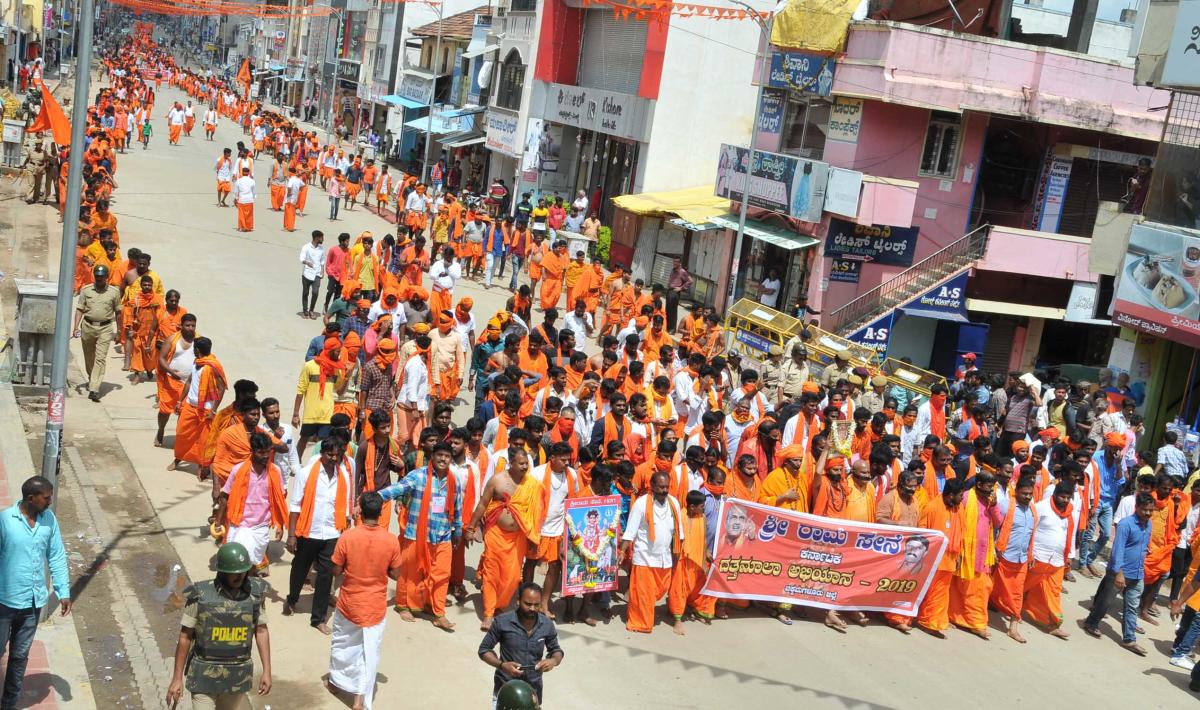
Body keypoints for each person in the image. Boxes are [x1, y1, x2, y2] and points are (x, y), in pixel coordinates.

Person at [166, 542, 271, 710]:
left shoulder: (255, 595)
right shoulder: (200, 595)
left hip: (237, 677)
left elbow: (261, 631)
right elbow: (185, 637)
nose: (240, 577)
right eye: (234, 573)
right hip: (204, 675)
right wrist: (177, 678)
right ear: (222, 571)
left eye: (243, 571)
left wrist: (267, 670)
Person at [0, 477, 72, 710]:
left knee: (20, 656)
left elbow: (56, 555)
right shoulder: (5, 521)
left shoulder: (49, 520)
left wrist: (63, 591)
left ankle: (9, 703)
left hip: (32, 602)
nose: (50, 501)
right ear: (31, 498)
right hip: (4, 601)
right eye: (46, 498)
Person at [326, 492, 402, 710]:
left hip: (349, 603)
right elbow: (395, 574)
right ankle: (358, 700)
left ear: (360, 512)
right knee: (367, 652)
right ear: (380, 514)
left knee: (342, 645)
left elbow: (336, 570)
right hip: (374, 607)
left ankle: (334, 683)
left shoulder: (347, 537)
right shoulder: (391, 540)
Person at [377, 442, 463, 631]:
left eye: (447, 456)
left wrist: (458, 529)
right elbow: (397, 489)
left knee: (442, 574)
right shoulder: (418, 476)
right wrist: (375, 497)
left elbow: (457, 507)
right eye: (440, 455)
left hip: (442, 536)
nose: (443, 459)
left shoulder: (454, 480)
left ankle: (438, 612)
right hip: (416, 534)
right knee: (409, 573)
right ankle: (403, 605)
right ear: (432, 456)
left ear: (451, 459)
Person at [466, 438, 546, 630]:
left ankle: (500, 605)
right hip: (496, 534)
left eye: (526, 463)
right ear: (511, 463)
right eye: (521, 463)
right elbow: (483, 504)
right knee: (492, 573)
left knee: (511, 577)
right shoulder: (498, 480)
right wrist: (471, 528)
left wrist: (534, 537)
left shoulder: (532, 485)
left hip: (518, 537)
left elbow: (537, 513)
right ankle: (488, 613)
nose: (525, 467)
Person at [285, 438, 353, 634]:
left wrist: (344, 533)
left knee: (325, 575)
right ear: (322, 453)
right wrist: (291, 536)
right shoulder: (306, 473)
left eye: (337, 455)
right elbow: (295, 505)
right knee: (299, 568)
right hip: (309, 531)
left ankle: (318, 618)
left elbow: (345, 508)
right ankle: (292, 599)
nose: (334, 458)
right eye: (330, 454)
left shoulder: (344, 476)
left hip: (332, 533)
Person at [1082, 492, 1155, 655]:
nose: (1148, 513)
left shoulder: (1149, 524)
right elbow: (1117, 550)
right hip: (1119, 572)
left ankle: (1129, 639)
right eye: (1145, 510)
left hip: (1137, 573)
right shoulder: (1125, 524)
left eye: (1151, 510)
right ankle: (1091, 622)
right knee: (1105, 601)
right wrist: (1119, 573)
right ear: (1137, 507)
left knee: (1132, 607)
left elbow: (1143, 545)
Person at [478, 583, 564, 707]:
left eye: (537, 604)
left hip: (533, 690)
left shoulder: (547, 624)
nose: (532, 608)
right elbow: (484, 650)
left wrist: (553, 661)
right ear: (518, 601)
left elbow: (556, 650)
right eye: (528, 604)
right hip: (506, 688)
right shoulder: (502, 622)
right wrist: (502, 665)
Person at [621, 471, 684, 633]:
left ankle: (644, 614)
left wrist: (677, 553)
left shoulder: (674, 503)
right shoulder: (641, 504)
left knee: (660, 590)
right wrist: (622, 552)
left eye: (667, 487)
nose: (665, 490)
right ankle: (640, 623)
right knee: (644, 594)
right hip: (644, 557)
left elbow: (679, 533)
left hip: (665, 558)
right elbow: (630, 532)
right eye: (661, 487)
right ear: (652, 486)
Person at [73, 264, 123, 402]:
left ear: (107, 277)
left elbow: (118, 312)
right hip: (87, 326)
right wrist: (75, 327)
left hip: (105, 328)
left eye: (102, 277)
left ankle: (94, 388)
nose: (99, 279)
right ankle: (92, 378)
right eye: (97, 276)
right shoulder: (86, 290)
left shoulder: (114, 292)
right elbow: (80, 309)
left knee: (100, 358)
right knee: (89, 357)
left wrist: (119, 331)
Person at [300, 230, 326, 319]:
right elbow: (301, 258)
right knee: (305, 293)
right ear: (317, 238)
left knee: (315, 292)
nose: (323, 239)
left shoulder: (321, 248)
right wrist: (307, 262)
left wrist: (322, 270)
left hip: (317, 274)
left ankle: (311, 310)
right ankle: (305, 311)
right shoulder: (306, 247)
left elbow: (322, 260)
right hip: (307, 273)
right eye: (321, 237)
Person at [232, 167, 256, 232]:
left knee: (241, 214)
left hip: (242, 200)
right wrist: (253, 198)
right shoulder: (252, 181)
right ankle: (248, 227)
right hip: (249, 200)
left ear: (242, 173)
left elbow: (236, 192)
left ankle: (242, 227)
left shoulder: (239, 181)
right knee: (249, 215)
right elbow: (254, 192)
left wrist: (235, 199)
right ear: (248, 173)